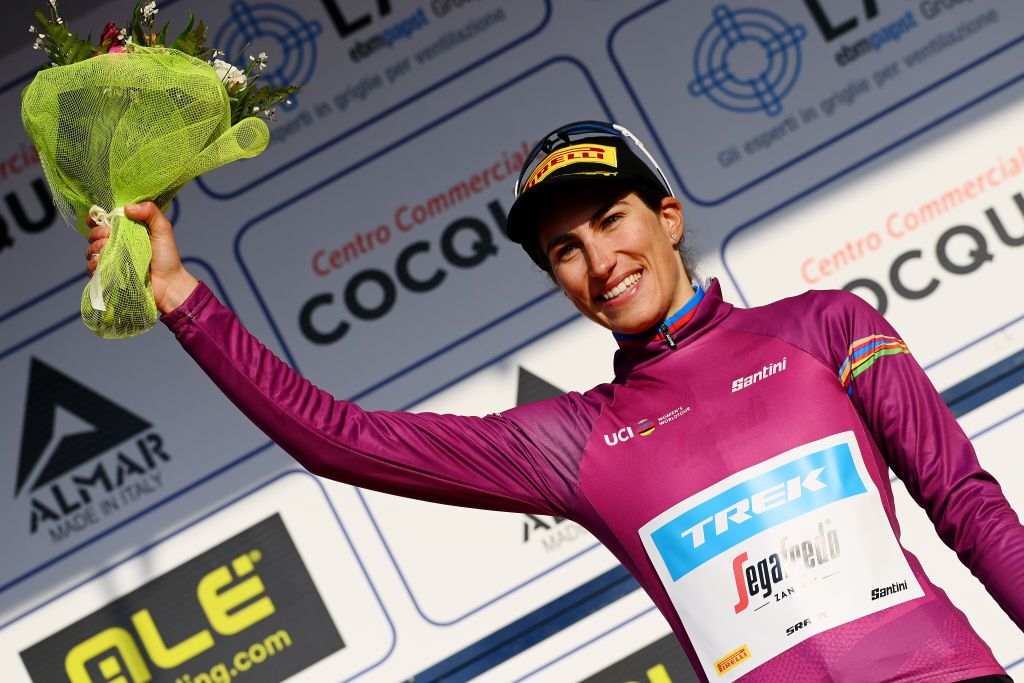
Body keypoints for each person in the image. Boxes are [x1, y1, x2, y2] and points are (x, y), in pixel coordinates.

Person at [86, 121, 1022, 682]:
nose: (599, 260)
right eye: (565, 249)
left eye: (610, 219)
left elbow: (967, 504)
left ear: (666, 217)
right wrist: (182, 299)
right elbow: (340, 439)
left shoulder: (824, 326)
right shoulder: (582, 438)